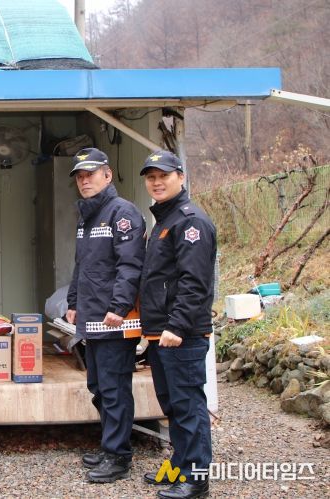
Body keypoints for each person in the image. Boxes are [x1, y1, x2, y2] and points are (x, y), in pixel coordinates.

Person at [65, 147, 146, 483]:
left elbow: (131, 265)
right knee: (98, 387)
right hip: (93, 318)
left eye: (91, 174)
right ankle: (109, 445)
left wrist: (119, 307)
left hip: (115, 320)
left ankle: (118, 456)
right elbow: (82, 266)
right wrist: (72, 301)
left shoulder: (122, 213)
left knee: (114, 389)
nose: (84, 181)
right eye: (80, 177)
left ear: (108, 175)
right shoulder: (87, 218)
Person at [139, 150, 216, 499]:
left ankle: (196, 479)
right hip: (161, 332)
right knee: (173, 406)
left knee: (188, 407)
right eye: (151, 177)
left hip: (180, 334)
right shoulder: (165, 220)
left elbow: (194, 282)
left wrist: (177, 326)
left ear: (181, 177)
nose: (157, 182)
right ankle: (178, 468)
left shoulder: (190, 222)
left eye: (164, 176)